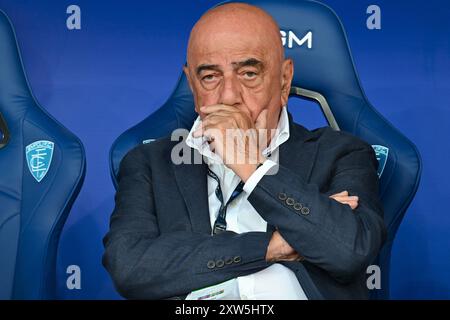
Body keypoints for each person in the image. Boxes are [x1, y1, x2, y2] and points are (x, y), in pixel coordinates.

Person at [102, 2, 386, 300]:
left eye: (249, 73)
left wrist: (250, 164)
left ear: (284, 80)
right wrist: (272, 246)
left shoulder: (342, 153)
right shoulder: (149, 163)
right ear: (192, 84)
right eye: (210, 77)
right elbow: (129, 266)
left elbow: (349, 250)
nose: (229, 96)